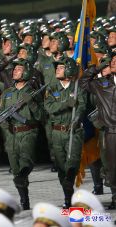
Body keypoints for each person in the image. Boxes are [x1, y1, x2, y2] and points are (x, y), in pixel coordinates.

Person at [0, 58, 44, 210]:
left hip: (28, 131)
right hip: (11, 134)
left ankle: (23, 188)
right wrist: (3, 122)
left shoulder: (32, 92)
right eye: (14, 69)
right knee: (16, 171)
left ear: (26, 72)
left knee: (26, 162)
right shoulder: (7, 93)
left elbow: (40, 115)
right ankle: (24, 199)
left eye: (18, 69)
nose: (14, 71)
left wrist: (31, 102)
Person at [44, 57, 86, 208]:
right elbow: (49, 107)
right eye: (57, 68)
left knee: (72, 163)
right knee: (62, 168)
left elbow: (81, 107)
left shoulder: (77, 88)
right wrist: (65, 104)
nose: (57, 70)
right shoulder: (52, 88)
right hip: (57, 133)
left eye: (61, 67)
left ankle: (69, 189)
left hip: (73, 131)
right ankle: (68, 197)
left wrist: (76, 119)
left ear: (69, 70)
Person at [79, 54, 116, 209]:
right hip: (110, 134)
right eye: (112, 61)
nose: (113, 62)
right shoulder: (102, 84)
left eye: (115, 61)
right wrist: (99, 67)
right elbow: (83, 82)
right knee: (112, 169)